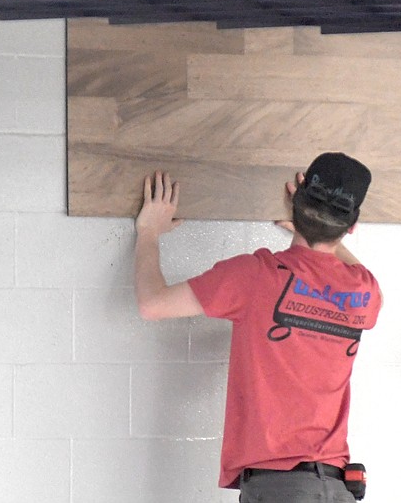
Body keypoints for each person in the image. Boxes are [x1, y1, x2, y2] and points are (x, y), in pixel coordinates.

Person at [134, 152, 382, 503]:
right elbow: (359, 274)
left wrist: (148, 232)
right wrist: (319, 230)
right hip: (336, 489)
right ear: (352, 228)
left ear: (294, 203)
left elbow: (151, 303)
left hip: (279, 488)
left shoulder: (254, 277)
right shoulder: (363, 293)